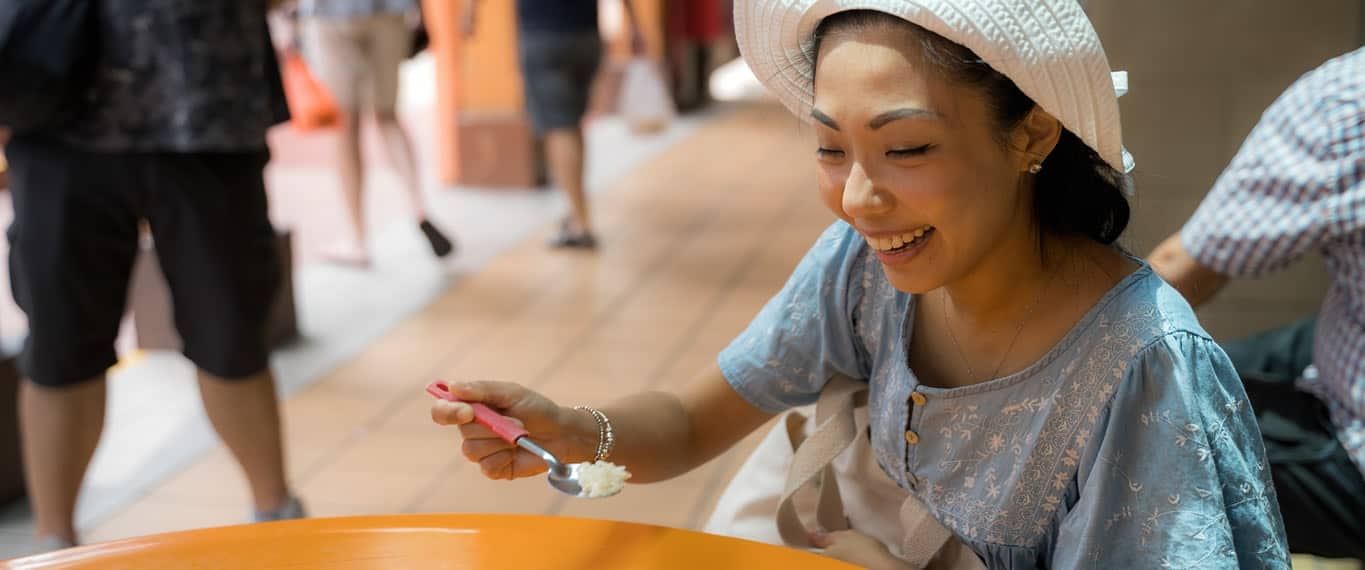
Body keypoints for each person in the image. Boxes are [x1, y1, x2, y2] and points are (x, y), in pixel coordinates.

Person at [431, 0, 1289, 567]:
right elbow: (697, 419)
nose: (857, 198)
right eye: (830, 148)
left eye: (906, 149)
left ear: (1031, 133)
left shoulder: (1142, 370)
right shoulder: (863, 271)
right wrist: (575, 430)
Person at [4, 0, 305, 550]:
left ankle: (279, 518)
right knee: (57, 347)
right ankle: (53, 546)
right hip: (54, 108)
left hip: (209, 110)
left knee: (231, 336)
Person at [1148, 47, 1364, 560]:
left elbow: (1183, 269)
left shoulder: (1348, 102)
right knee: (1192, 372)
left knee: (1150, 439)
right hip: (1336, 333)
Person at [462, 0, 645, 249]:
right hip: (587, 36)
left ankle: (581, 223)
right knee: (571, 124)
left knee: (559, 127)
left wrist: (470, 12)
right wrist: (634, 24)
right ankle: (576, 211)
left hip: (543, 36)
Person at [294, 0, 454, 266]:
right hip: (390, 11)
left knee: (345, 126)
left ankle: (357, 239)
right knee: (388, 116)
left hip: (332, 13)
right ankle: (418, 205)